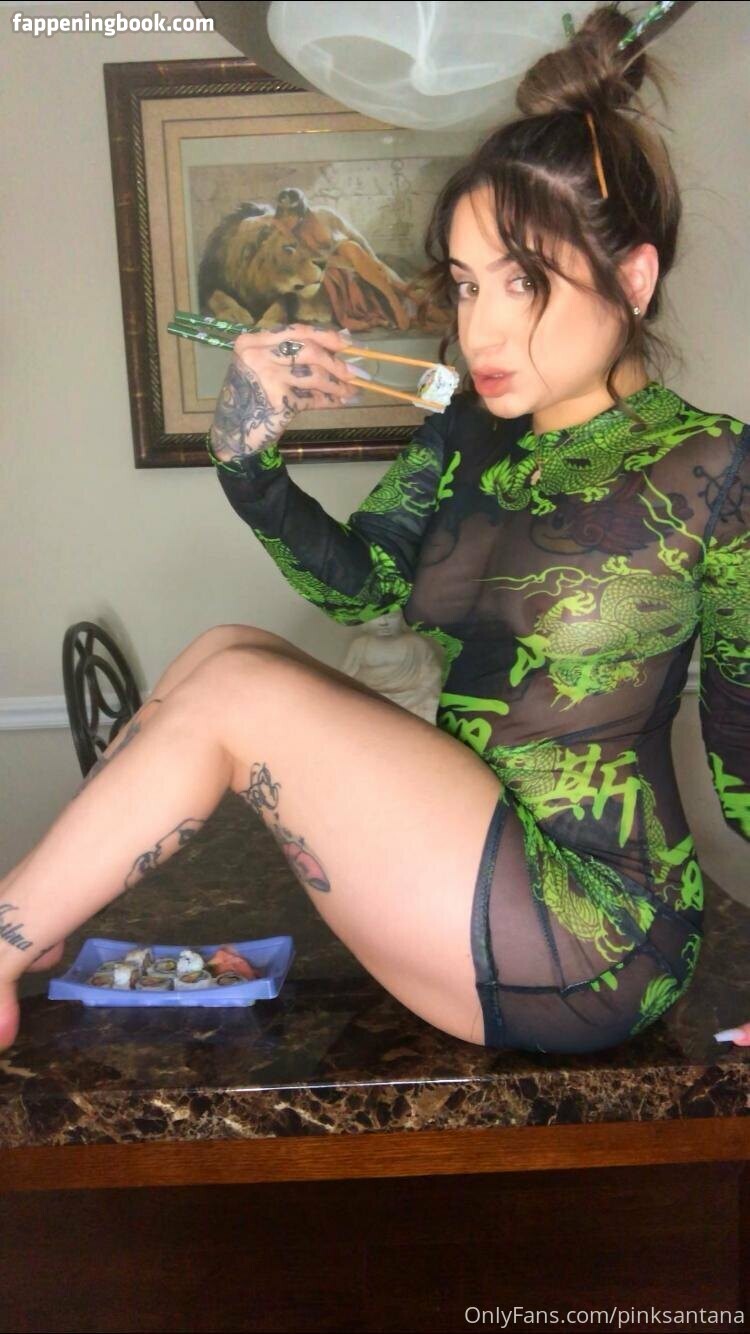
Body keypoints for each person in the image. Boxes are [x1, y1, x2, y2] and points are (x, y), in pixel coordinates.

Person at [1, 5, 748, 1055]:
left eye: (523, 282)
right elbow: (364, 585)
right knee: (226, 649)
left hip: (594, 934)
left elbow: (745, 739)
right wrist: (248, 456)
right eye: (466, 284)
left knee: (236, 687)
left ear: (633, 277)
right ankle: (32, 933)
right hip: (476, 859)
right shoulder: (470, 429)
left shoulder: (712, 464)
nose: (479, 327)